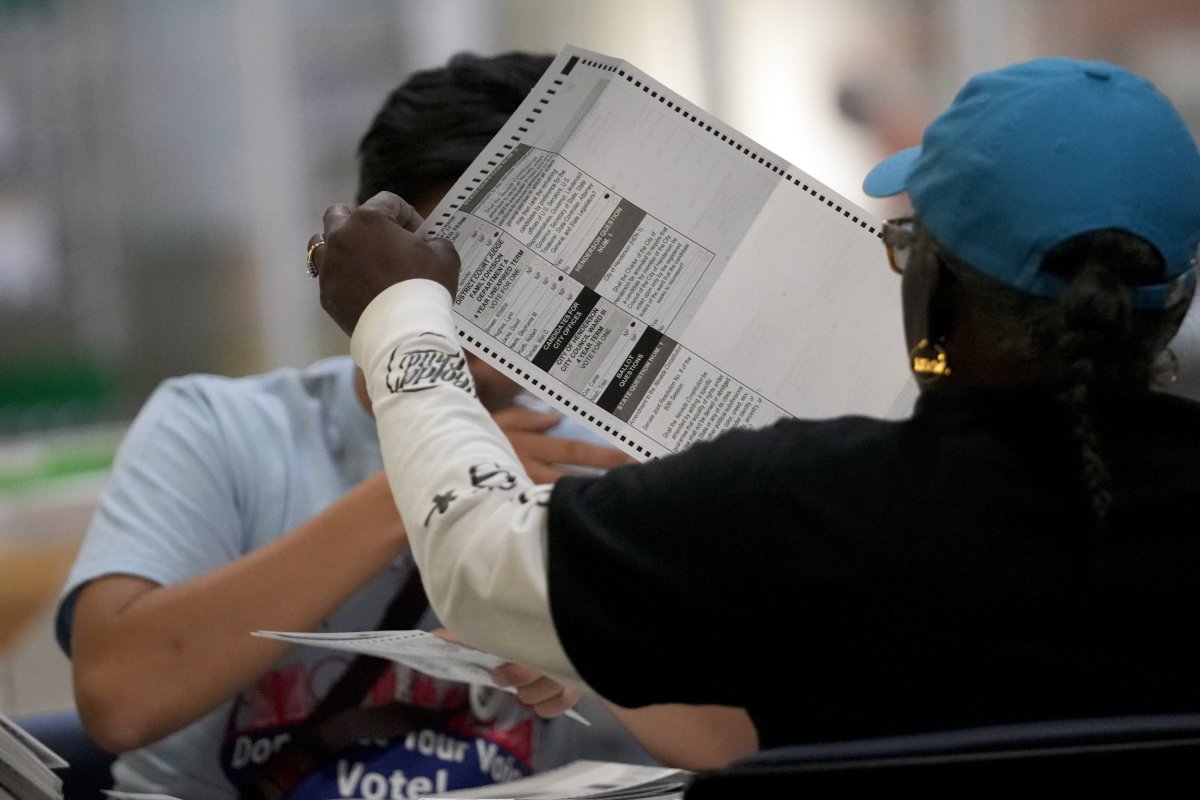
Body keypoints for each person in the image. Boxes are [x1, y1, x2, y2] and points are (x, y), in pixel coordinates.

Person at [312, 56, 1200, 751]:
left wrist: (400, 314)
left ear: (933, 283)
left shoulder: (803, 502)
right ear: (1179, 302)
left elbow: (477, 568)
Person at [55, 52, 731, 800]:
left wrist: (579, 640)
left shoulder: (615, 459)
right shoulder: (217, 426)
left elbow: (739, 740)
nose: (514, 308)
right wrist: (435, 486)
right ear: (371, 256)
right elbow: (119, 698)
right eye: (463, 267)